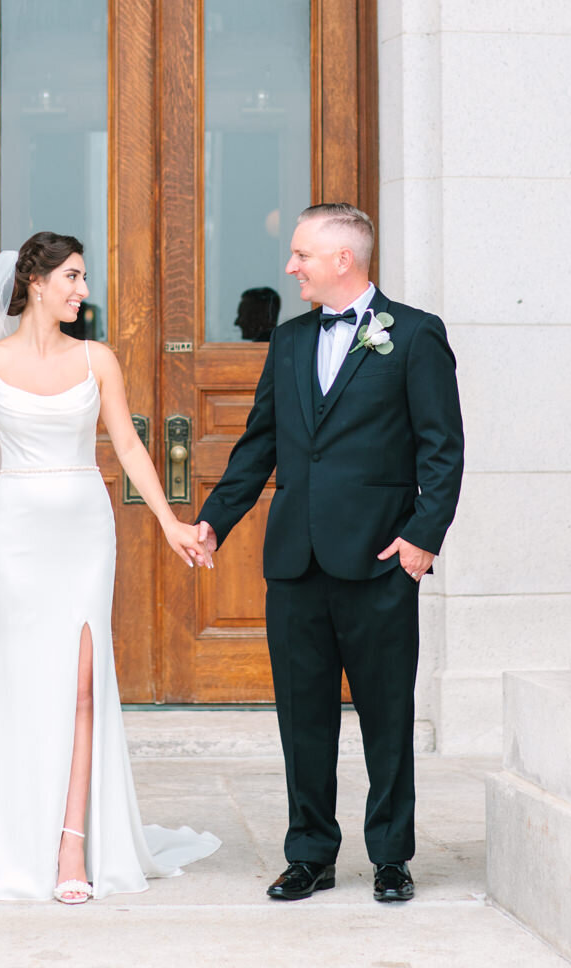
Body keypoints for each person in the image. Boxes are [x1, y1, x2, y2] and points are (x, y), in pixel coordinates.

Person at [0, 233, 219, 902]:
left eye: (83, 279)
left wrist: (171, 522)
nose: (83, 290)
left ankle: (71, 848)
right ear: (35, 281)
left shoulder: (98, 360)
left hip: (85, 532)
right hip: (14, 536)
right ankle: (13, 838)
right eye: (73, 277)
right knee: (20, 685)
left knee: (85, 686)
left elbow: (131, 448)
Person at [197, 203, 463, 905]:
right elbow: (260, 443)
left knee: (386, 717)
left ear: (343, 259)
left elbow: (442, 448)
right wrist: (214, 522)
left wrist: (421, 539)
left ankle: (391, 857)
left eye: (302, 256)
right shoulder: (286, 342)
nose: (292, 267)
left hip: (379, 559)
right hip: (294, 563)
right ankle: (309, 853)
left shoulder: (414, 335)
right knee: (302, 718)